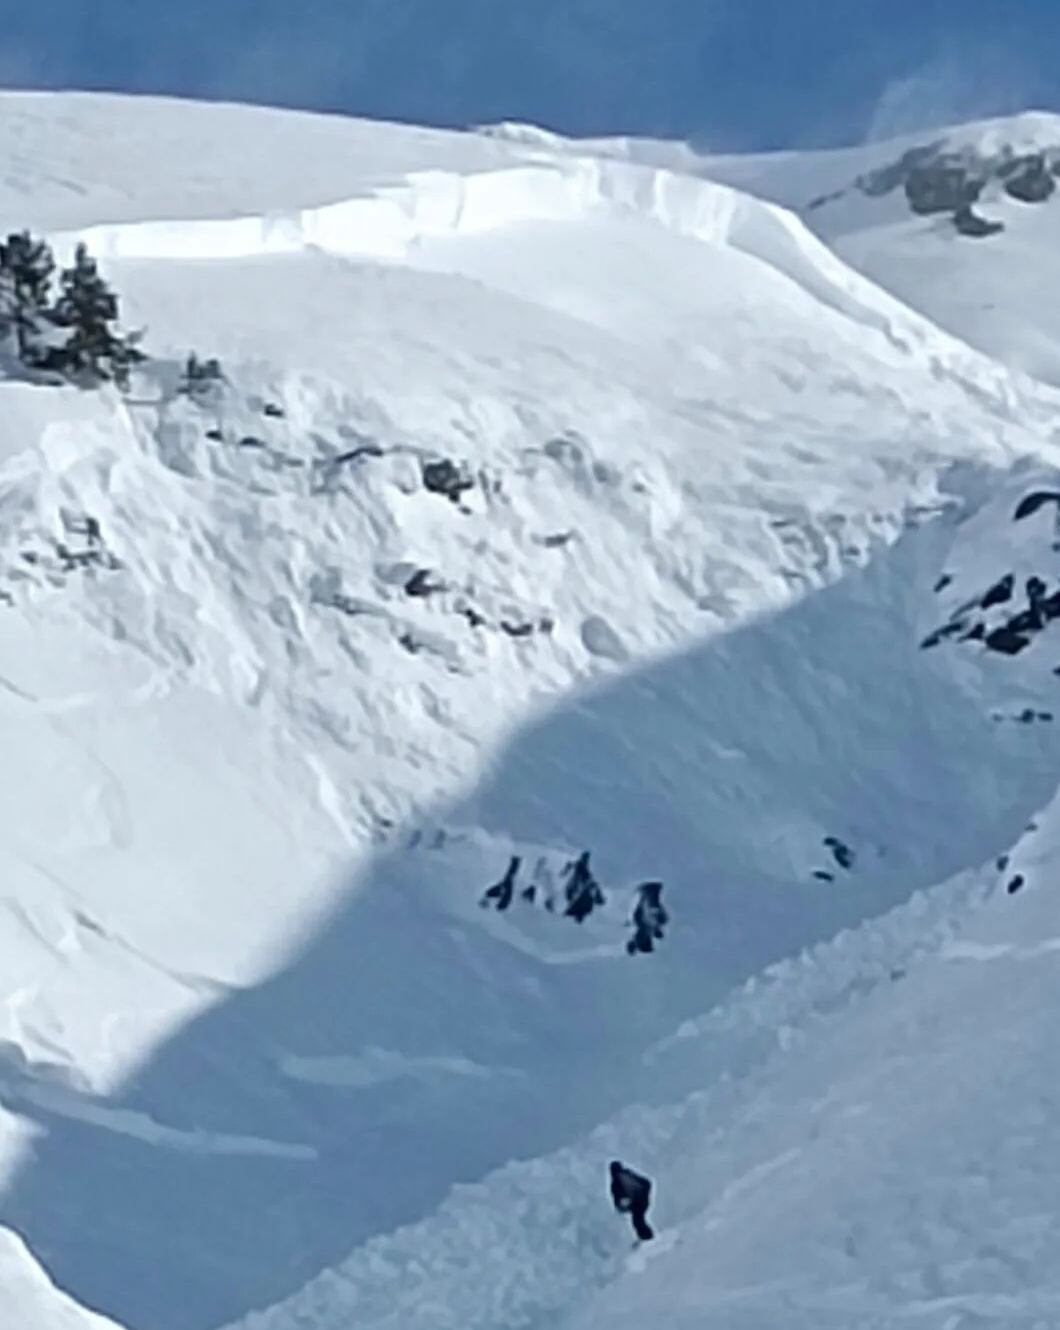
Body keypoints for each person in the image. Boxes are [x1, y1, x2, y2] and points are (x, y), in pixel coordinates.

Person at [609, 1160, 654, 1241]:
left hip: (637, 1201)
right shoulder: (628, 1174)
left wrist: (623, 1207)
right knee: (638, 1220)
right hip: (642, 1198)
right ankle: (647, 1237)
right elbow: (647, 1182)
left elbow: (618, 1200)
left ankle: (648, 1239)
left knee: (637, 1221)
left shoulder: (616, 1181)